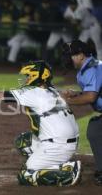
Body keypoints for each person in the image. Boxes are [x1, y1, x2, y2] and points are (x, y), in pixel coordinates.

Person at [0, 61, 81, 186]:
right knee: (24, 142)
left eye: (28, 76)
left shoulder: (33, 92)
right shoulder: (53, 90)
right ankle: (48, 162)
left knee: (25, 176)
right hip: (68, 141)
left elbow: (0, 95)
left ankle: (67, 172)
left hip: (58, 145)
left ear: (36, 76)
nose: (26, 79)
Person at [61, 40, 102, 186]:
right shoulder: (90, 67)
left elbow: (91, 97)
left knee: (95, 130)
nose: (69, 58)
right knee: (96, 129)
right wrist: (76, 94)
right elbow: (94, 93)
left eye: (72, 55)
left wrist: (67, 101)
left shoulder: (92, 68)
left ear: (81, 56)